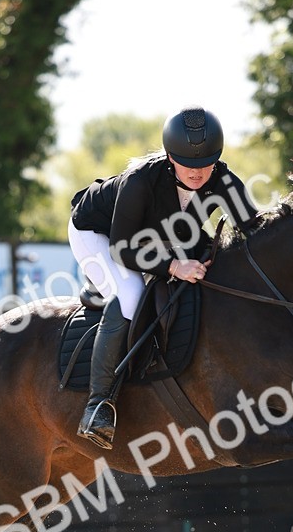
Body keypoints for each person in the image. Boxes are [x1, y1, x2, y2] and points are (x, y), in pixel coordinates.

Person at [68, 106, 261, 450]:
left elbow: (255, 230)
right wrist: (174, 267)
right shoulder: (141, 181)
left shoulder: (222, 179)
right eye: (188, 164)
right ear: (170, 156)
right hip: (99, 234)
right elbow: (122, 249)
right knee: (130, 295)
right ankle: (97, 406)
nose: (199, 172)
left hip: (156, 236)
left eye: (208, 163)